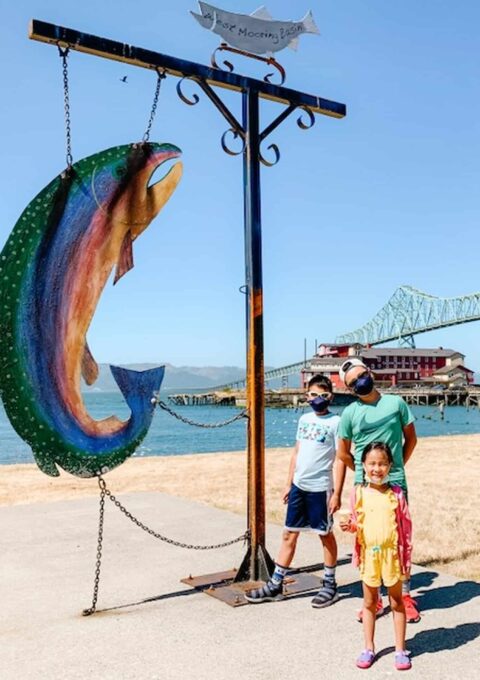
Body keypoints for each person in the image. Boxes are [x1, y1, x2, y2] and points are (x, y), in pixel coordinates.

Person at [245, 374, 346, 607]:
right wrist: (289, 483)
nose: (318, 399)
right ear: (306, 396)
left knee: (324, 534)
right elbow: (296, 452)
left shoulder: (336, 422)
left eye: (323, 395)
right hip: (299, 487)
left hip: (321, 489)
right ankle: (275, 583)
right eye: (313, 394)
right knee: (289, 533)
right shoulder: (304, 420)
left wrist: (337, 493)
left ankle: (330, 584)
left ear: (330, 396)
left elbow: (341, 459)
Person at [334, 358, 420, 623]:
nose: (360, 383)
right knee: (367, 540)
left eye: (361, 376)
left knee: (399, 539)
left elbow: (411, 438)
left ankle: (404, 596)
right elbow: (342, 453)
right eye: (353, 383)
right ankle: (373, 599)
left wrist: (396, 468)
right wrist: (362, 473)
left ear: (370, 373)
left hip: (395, 483)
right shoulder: (349, 413)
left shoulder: (396, 403)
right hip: (364, 486)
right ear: (349, 389)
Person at [340, 441, 412, 671]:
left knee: (397, 602)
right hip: (369, 556)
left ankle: (400, 649)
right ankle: (368, 647)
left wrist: (407, 560)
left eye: (382, 464)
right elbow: (356, 524)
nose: (376, 468)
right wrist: (349, 526)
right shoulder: (358, 493)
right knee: (370, 603)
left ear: (390, 466)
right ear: (363, 465)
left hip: (393, 556)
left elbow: (406, 529)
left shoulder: (397, 494)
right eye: (371, 463)